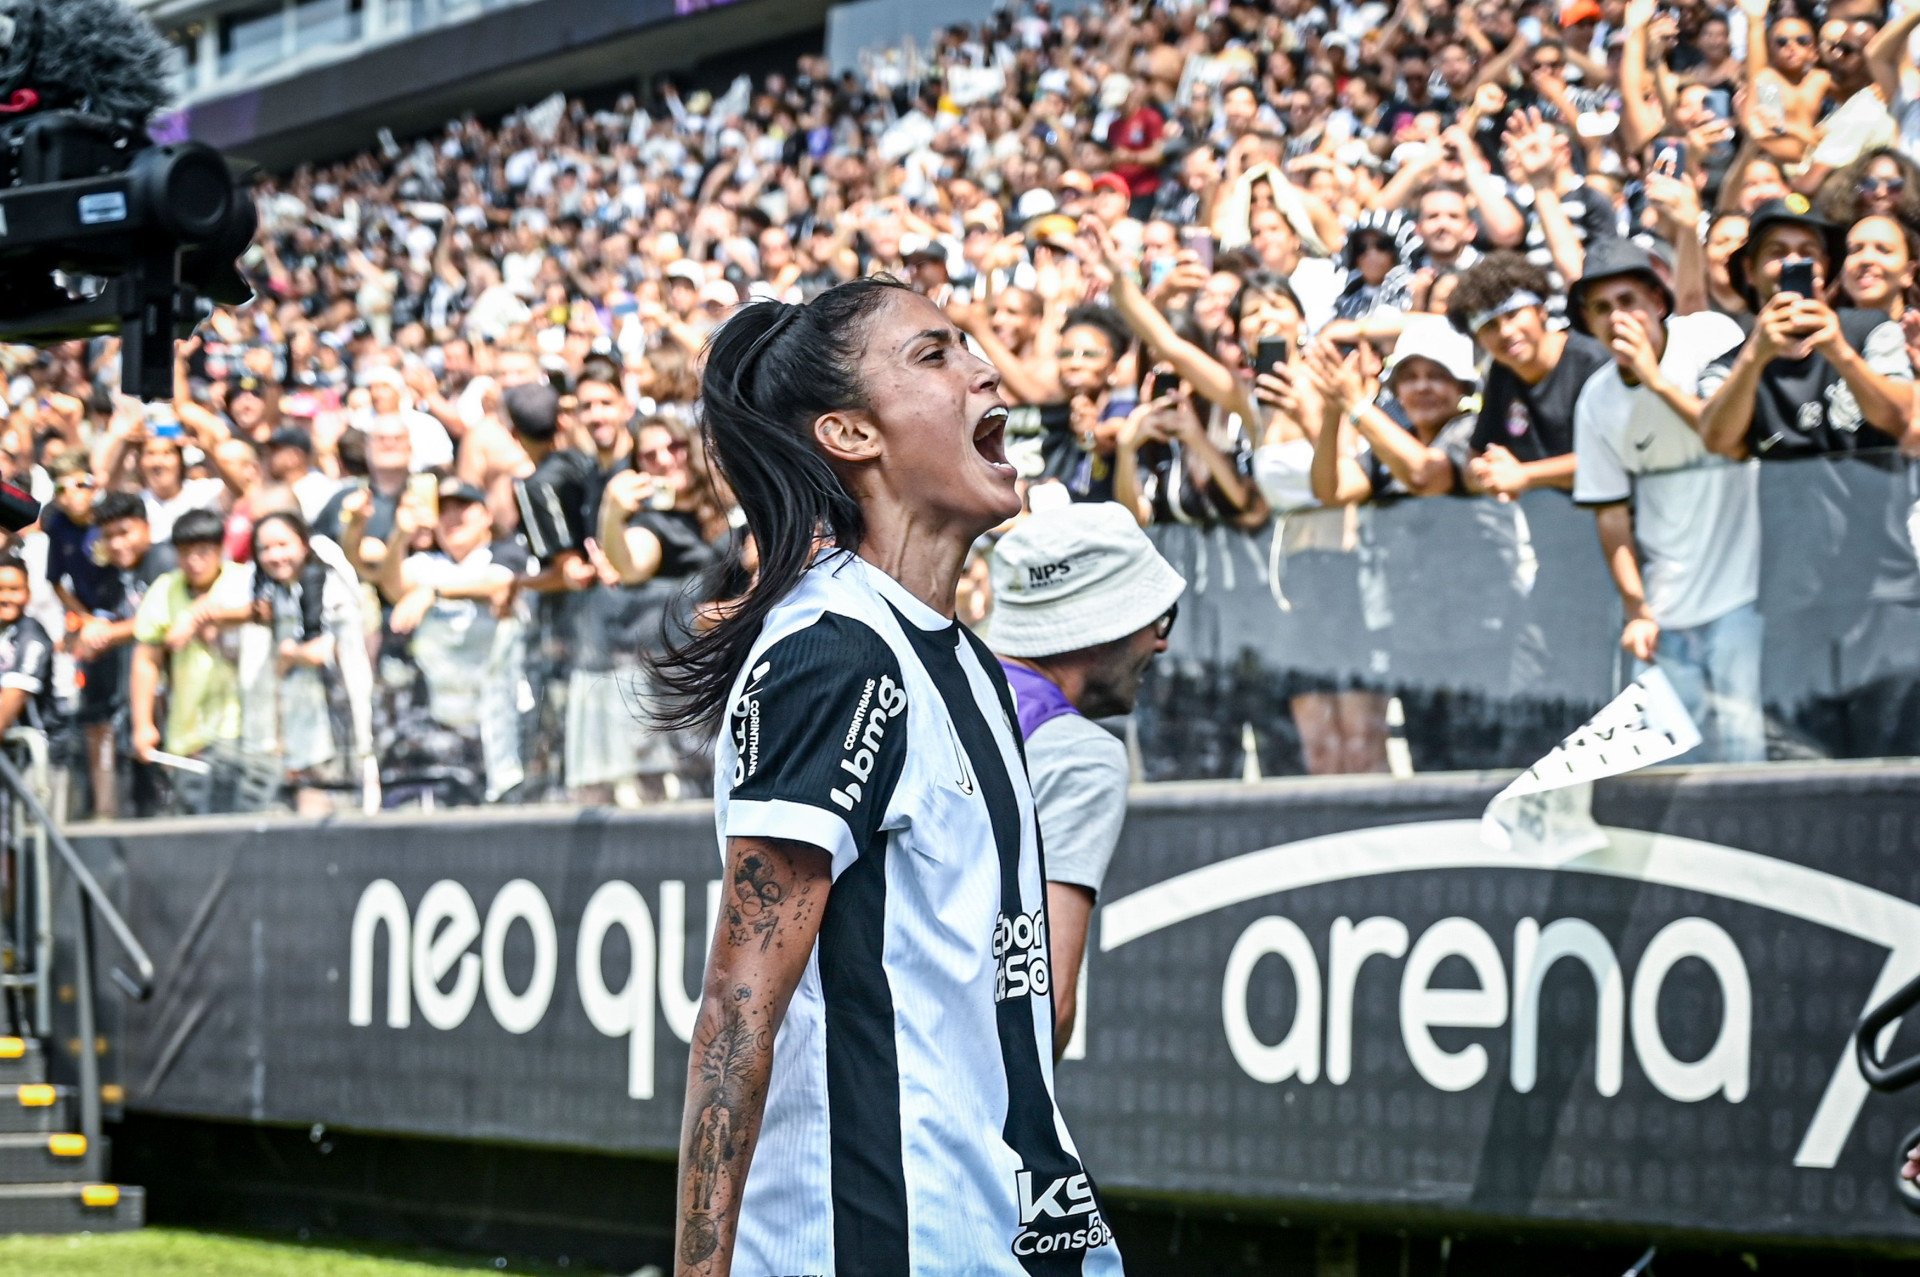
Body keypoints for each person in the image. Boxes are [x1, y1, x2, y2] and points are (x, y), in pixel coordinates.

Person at [658, 279, 1121, 1274]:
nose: (983, 368)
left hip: (1023, 1225)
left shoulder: (962, 661)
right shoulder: (834, 651)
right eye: (934, 354)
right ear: (850, 433)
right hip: (883, 1239)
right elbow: (739, 1002)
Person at [986, 502, 1185, 1056]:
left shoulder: (930, 686)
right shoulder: (1078, 754)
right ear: (1105, 624)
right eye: (1157, 618)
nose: (1160, 642)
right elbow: (1042, 1007)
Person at [1568, 239, 1762, 761]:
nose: (1617, 318)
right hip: (1664, 612)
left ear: (1658, 301)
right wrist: (1638, 609)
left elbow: (1725, 433)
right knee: (1665, 765)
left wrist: (1655, 381)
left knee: (1747, 754)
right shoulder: (1594, 401)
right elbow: (1610, 518)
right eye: (1601, 308)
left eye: (1628, 301)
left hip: (1743, 598)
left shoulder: (1711, 337)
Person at [1448, 252, 1614, 500]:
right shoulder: (1501, 373)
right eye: (1489, 326)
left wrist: (1525, 475)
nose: (1505, 331)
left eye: (1512, 315)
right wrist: (1486, 474)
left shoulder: (1593, 360)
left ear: (1541, 310)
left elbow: (1615, 457)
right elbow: (1475, 459)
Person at [129, 509, 252, 808]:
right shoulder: (165, 589)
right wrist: (143, 725)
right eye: (185, 553)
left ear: (220, 549)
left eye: (203, 552)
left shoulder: (244, 579)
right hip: (189, 736)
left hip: (245, 729)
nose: (194, 562)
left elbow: (265, 610)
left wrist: (204, 616)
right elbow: (146, 660)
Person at [69, 492, 175, 819]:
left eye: (124, 532)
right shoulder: (111, 577)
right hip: (130, 708)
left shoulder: (165, 561)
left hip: (168, 703)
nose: (116, 544)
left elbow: (165, 621)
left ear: (146, 527)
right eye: (109, 536)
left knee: (168, 803)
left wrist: (108, 634)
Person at [0, 554, 58, 741]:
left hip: (31, 752)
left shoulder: (32, 635)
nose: (5, 597)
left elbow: (16, 693)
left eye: (14, 589)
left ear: (28, 592)